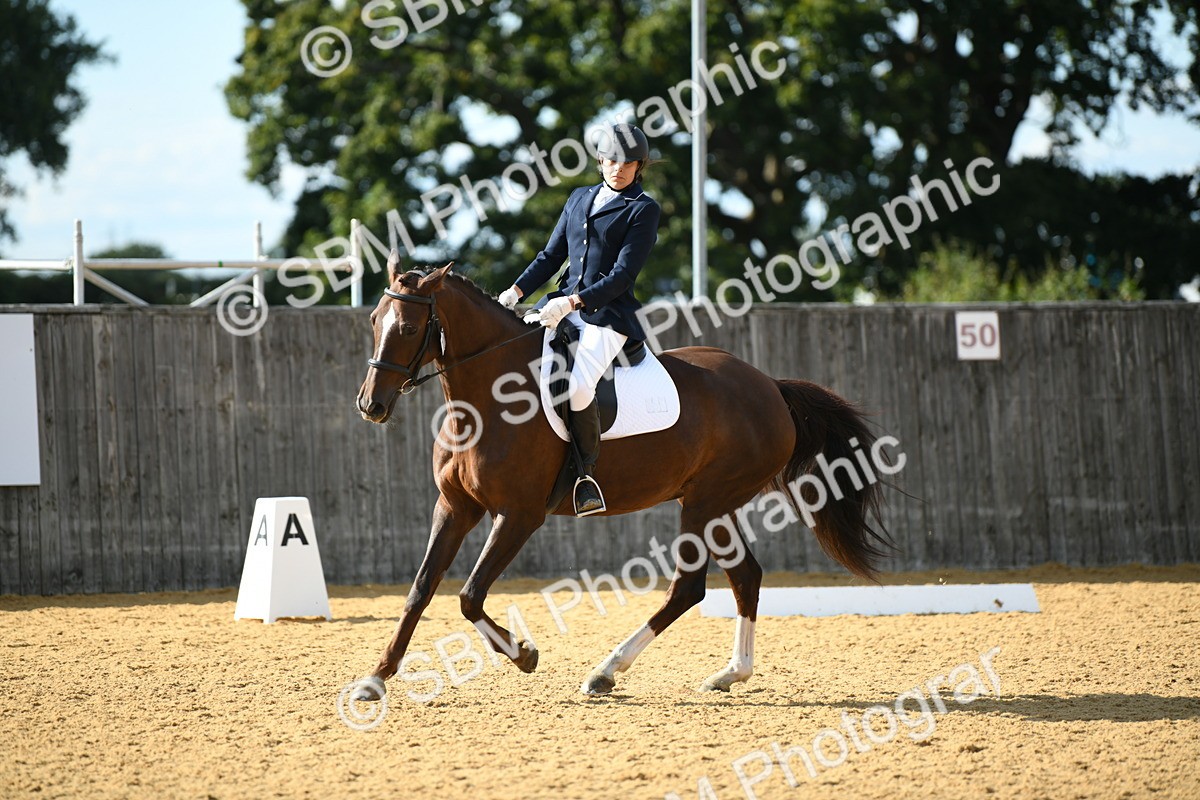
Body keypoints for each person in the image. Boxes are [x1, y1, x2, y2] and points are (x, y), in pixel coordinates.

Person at [498, 123, 661, 516]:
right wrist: (515, 292)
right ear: (600, 160)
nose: (618, 168)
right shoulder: (578, 198)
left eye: (628, 163)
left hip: (607, 318)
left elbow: (622, 275)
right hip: (559, 307)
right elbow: (551, 255)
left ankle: (585, 477)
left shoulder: (643, 209)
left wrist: (573, 302)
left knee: (578, 388)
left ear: (639, 166)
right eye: (612, 160)